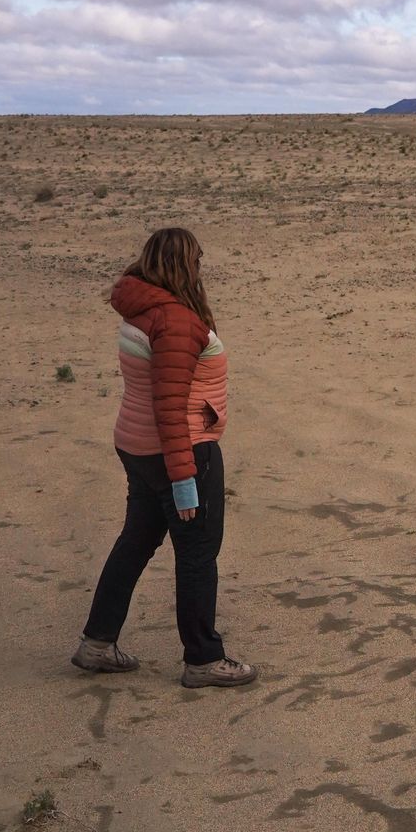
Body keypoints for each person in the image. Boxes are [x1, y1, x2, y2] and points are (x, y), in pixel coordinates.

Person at [72, 226, 256, 688]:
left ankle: (97, 643)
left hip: (138, 445)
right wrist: (184, 480)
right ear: (183, 265)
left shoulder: (141, 306)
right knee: (196, 551)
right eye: (196, 259)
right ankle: (203, 659)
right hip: (181, 450)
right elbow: (171, 406)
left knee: (137, 539)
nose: (199, 268)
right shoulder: (173, 320)